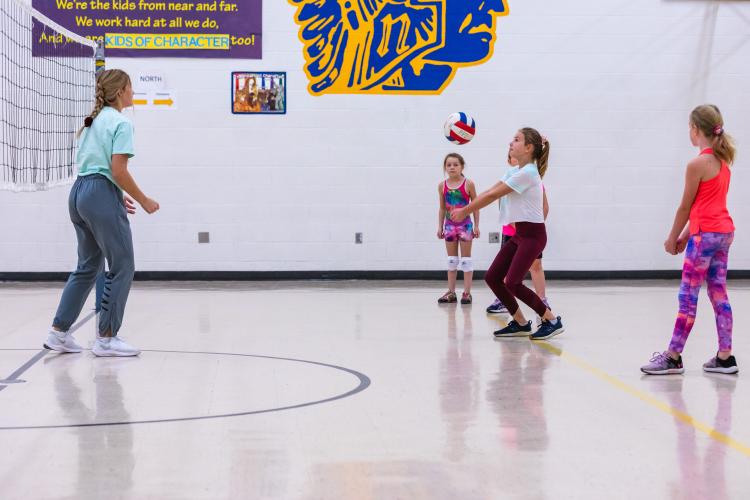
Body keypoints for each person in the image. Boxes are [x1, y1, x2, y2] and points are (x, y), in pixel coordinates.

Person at [43, 69, 160, 357]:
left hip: (80, 194)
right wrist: (143, 200)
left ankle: (58, 333)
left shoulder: (91, 121)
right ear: (120, 91)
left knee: (88, 267)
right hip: (99, 194)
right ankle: (107, 338)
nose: (133, 93)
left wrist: (116, 198)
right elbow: (118, 170)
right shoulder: (121, 123)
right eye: (131, 88)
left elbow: (98, 168)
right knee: (123, 265)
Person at [641, 105, 738, 375]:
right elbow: (706, 206)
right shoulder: (723, 163)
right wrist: (686, 236)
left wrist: (672, 237)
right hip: (722, 233)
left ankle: (673, 357)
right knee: (718, 293)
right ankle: (725, 356)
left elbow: (686, 206)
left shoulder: (697, 164)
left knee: (688, 297)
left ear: (695, 130)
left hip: (705, 237)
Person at [450, 128, 563, 340]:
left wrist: (465, 210)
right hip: (520, 234)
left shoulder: (528, 173)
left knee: (513, 282)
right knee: (493, 277)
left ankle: (551, 320)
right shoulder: (516, 172)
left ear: (529, 148)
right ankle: (520, 323)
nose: (511, 143)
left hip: (533, 235)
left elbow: (493, 195)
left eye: (517, 140)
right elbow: (489, 191)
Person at [487, 154, 551, 320]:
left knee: (534, 267)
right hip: (512, 233)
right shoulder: (509, 178)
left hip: (528, 233)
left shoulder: (530, 177)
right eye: (510, 157)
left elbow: (543, 207)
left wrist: (532, 225)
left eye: (516, 157)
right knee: (501, 274)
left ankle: (543, 302)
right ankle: (509, 306)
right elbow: (496, 199)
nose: (512, 159)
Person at [437, 153, 479, 304]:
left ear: (462, 166)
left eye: (455, 164)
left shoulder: (469, 184)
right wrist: (440, 226)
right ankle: (451, 292)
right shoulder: (442, 185)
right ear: (445, 168)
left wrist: (477, 225)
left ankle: (467, 293)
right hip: (449, 226)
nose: (452, 167)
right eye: (449, 165)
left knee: (466, 261)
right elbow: (442, 208)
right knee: (451, 260)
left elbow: (476, 205)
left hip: (465, 226)